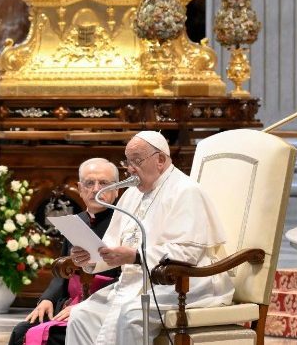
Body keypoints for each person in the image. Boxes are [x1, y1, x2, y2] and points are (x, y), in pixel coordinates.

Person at [65, 131, 233, 344]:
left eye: (136, 161)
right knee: (81, 316)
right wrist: (90, 257)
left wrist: (136, 256)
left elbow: (188, 253)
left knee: (130, 316)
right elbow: (111, 243)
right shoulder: (132, 193)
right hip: (134, 283)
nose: (130, 169)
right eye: (127, 162)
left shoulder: (185, 191)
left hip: (181, 283)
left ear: (160, 160)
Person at [8, 158, 122, 345]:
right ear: (79, 188)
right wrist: (47, 299)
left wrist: (86, 306)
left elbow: (126, 277)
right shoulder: (76, 221)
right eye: (89, 183)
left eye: (103, 183)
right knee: (21, 331)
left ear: (117, 189)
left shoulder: (123, 223)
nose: (96, 189)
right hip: (69, 303)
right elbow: (63, 271)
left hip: (102, 306)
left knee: (52, 338)